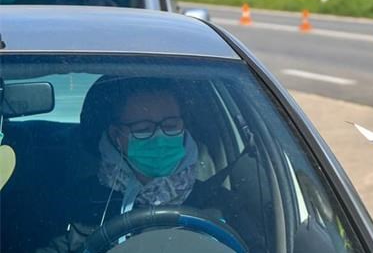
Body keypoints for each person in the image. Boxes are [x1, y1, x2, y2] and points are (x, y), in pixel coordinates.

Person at [38, 78, 256, 252]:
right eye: (143, 129)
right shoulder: (78, 203)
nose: (160, 137)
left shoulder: (224, 205)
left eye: (171, 125)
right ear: (116, 135)